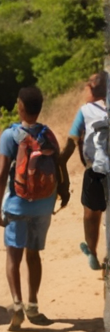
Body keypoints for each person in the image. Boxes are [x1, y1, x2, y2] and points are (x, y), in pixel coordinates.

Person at [0, 85, 68, 329]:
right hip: (44, 204)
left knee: (13, 256)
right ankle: (33, 306)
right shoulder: (48, 135)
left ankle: (17, 305)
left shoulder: (10, 135)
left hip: (17, 204)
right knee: (34, 254)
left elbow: (1, 173)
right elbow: (58, 167)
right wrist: (64, 192)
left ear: (21, 107)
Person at [60, 72, 108, 271]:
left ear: (92, 89)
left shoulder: (85, 111)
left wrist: (60, 163)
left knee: (91, 212)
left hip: (95, 171)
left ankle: (93, 252)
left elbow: (71, 142)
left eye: (86, 86)